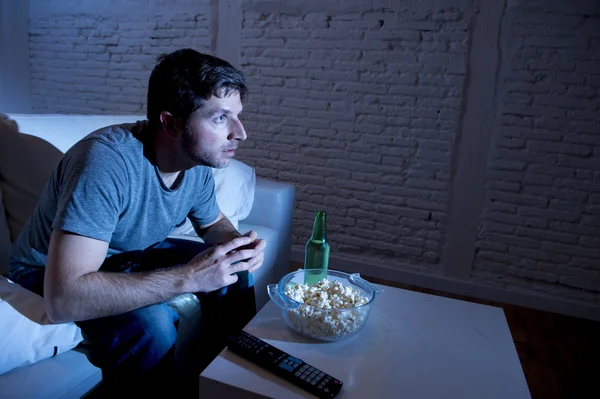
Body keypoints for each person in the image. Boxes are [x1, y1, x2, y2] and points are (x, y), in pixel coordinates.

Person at [8, 48, 266, 396]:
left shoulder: (196, 162)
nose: (240, 133)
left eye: (237, 116)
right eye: (220, 118)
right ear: (171, 122)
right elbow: (63, 298)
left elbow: (212, 223)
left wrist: (237, 244)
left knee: (233, 270)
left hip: (126, 255)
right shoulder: (105, 163)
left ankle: (225, 386)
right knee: (152, 325)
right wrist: (188, 278)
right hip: (47, 274)